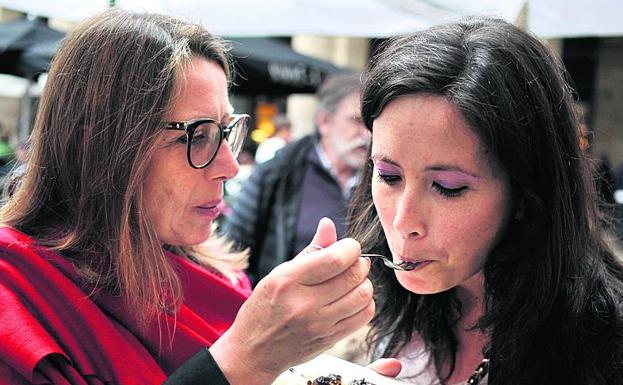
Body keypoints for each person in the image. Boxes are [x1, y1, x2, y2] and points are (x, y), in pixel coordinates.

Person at [0, 9, 378, 385]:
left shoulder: (214, 273)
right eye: (198, 136)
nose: (229, 167)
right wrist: (245, 359)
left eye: (227, 130)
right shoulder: (16, 292)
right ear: (95, 147)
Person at [347, 16, 623, 385]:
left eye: (448, 187)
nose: (403, 221)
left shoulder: (603, 345)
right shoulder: (390, 307)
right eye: (389, 176)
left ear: (526, 194)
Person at [223, 74, 370, 284]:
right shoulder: (278, 172)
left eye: (371, 124)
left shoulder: (382, 178)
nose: (366, 135)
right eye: (357, 121)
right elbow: (232, 252)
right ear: (324, 121)